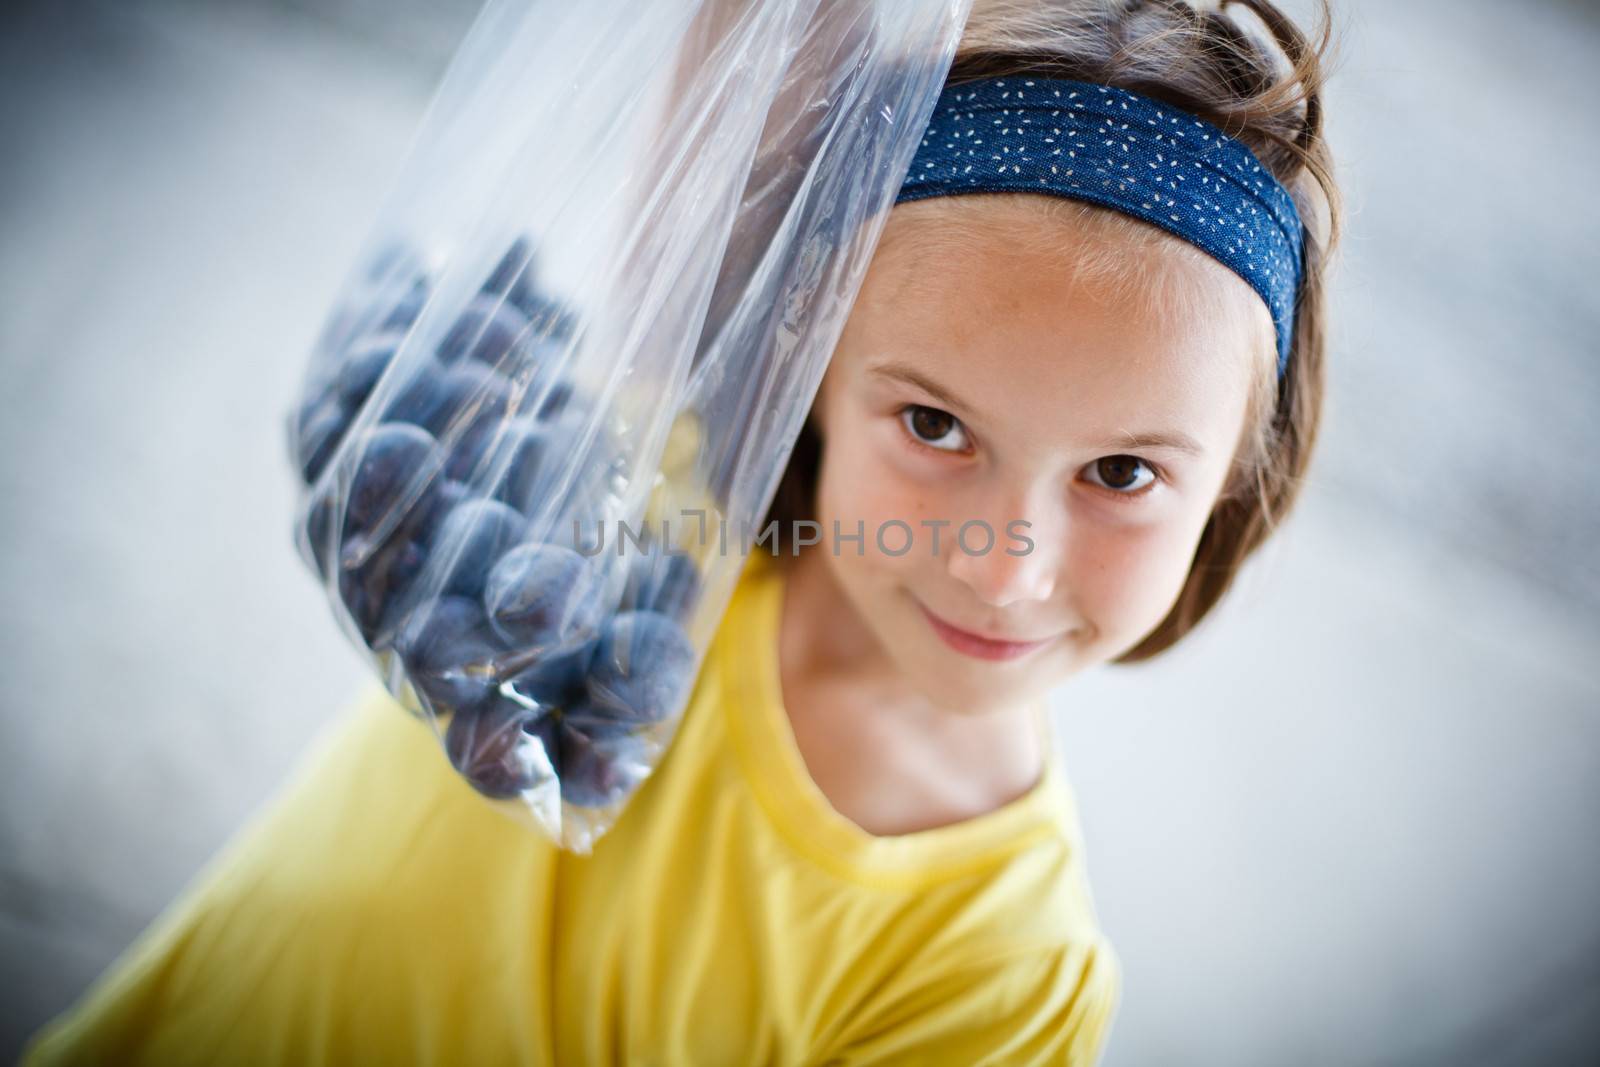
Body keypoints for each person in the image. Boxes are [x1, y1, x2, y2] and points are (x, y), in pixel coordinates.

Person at [22, 0, 1343, 1063]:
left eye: (1120, 471)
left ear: (1242, 468)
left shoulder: (1001, 979)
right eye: (935, 428)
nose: (1008, 561)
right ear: (808, 343)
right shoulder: (673, 500)